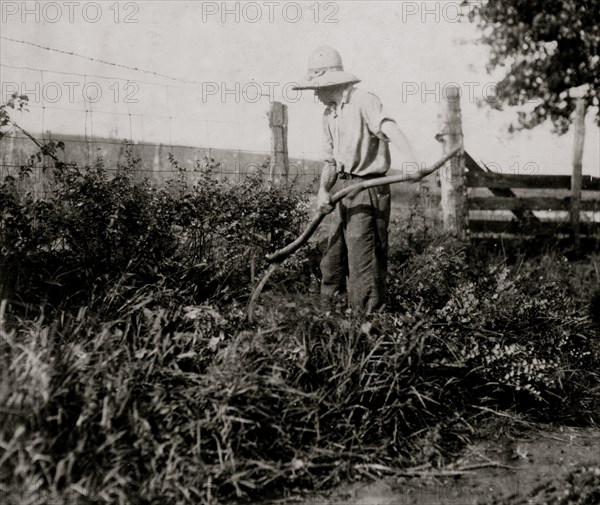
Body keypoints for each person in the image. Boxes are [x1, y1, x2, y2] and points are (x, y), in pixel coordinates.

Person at [293, 46, 419, 313]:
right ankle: (330, 320)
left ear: (330, 82)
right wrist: (322, 191)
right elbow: (330, 161)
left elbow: (388, 127)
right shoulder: (329, 114)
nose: (314, 93)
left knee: (364, 263)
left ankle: (367, 326)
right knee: (332, 261)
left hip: (368, 189)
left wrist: (412, 160)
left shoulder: (364, 101)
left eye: (316, 87)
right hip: (344, 188)